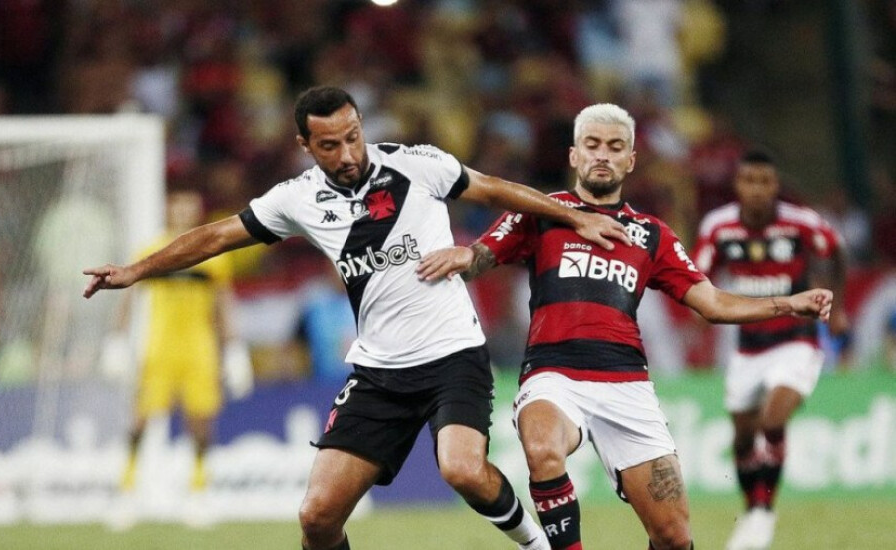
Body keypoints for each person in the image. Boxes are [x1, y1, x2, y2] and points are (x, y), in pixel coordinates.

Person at [84, 85, 632, 550]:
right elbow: (216, 236)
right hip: (379, 371)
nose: (347, 153)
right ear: (305, 146)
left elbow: (493, 189)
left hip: (452, 356)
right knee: (316, 517)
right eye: (329, 145)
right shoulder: (297, 199)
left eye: (352, 137)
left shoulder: (417, 165)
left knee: (461, 468)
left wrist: (574, 217)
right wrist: (137, 270)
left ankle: (535, 545)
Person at [416, 104, 833, 550]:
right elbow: (483, 256)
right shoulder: (542, 212)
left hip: (626, 384)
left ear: (630, 160)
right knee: (542, 447)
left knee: (673, 536)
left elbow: (712, 303)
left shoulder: (652, 234)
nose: (603, 155)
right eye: (592, 145)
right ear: (574, 155)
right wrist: (467, 256)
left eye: (615, 147)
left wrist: (788, 303)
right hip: (553, 374)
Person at [692, 151, 847, 550]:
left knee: (773, 420)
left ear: (776, 186)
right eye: (750, 181)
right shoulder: (719, 227)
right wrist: (699, 319)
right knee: (743, 440)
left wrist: (839, 308)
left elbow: (836, 250)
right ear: (738, 185)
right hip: (747, 348)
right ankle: (752, 511)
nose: (757, 190)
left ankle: (764, 511)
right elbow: (697, 277)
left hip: (796, 341)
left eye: (765, 181)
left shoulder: (800, 222)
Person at [112, 189, 251, 511]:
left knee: (201, 422)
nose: (184, 213)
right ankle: (127, 490)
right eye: (179, 207)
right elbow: (129, 295)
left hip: (199, 348)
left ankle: (198, 491)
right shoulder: (152, 250)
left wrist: (234, 349)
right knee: (140, 420)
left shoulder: (215, 255)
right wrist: (117, 340)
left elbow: (223, 304)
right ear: (169, 210)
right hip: (158, 346)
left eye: (191, 208)